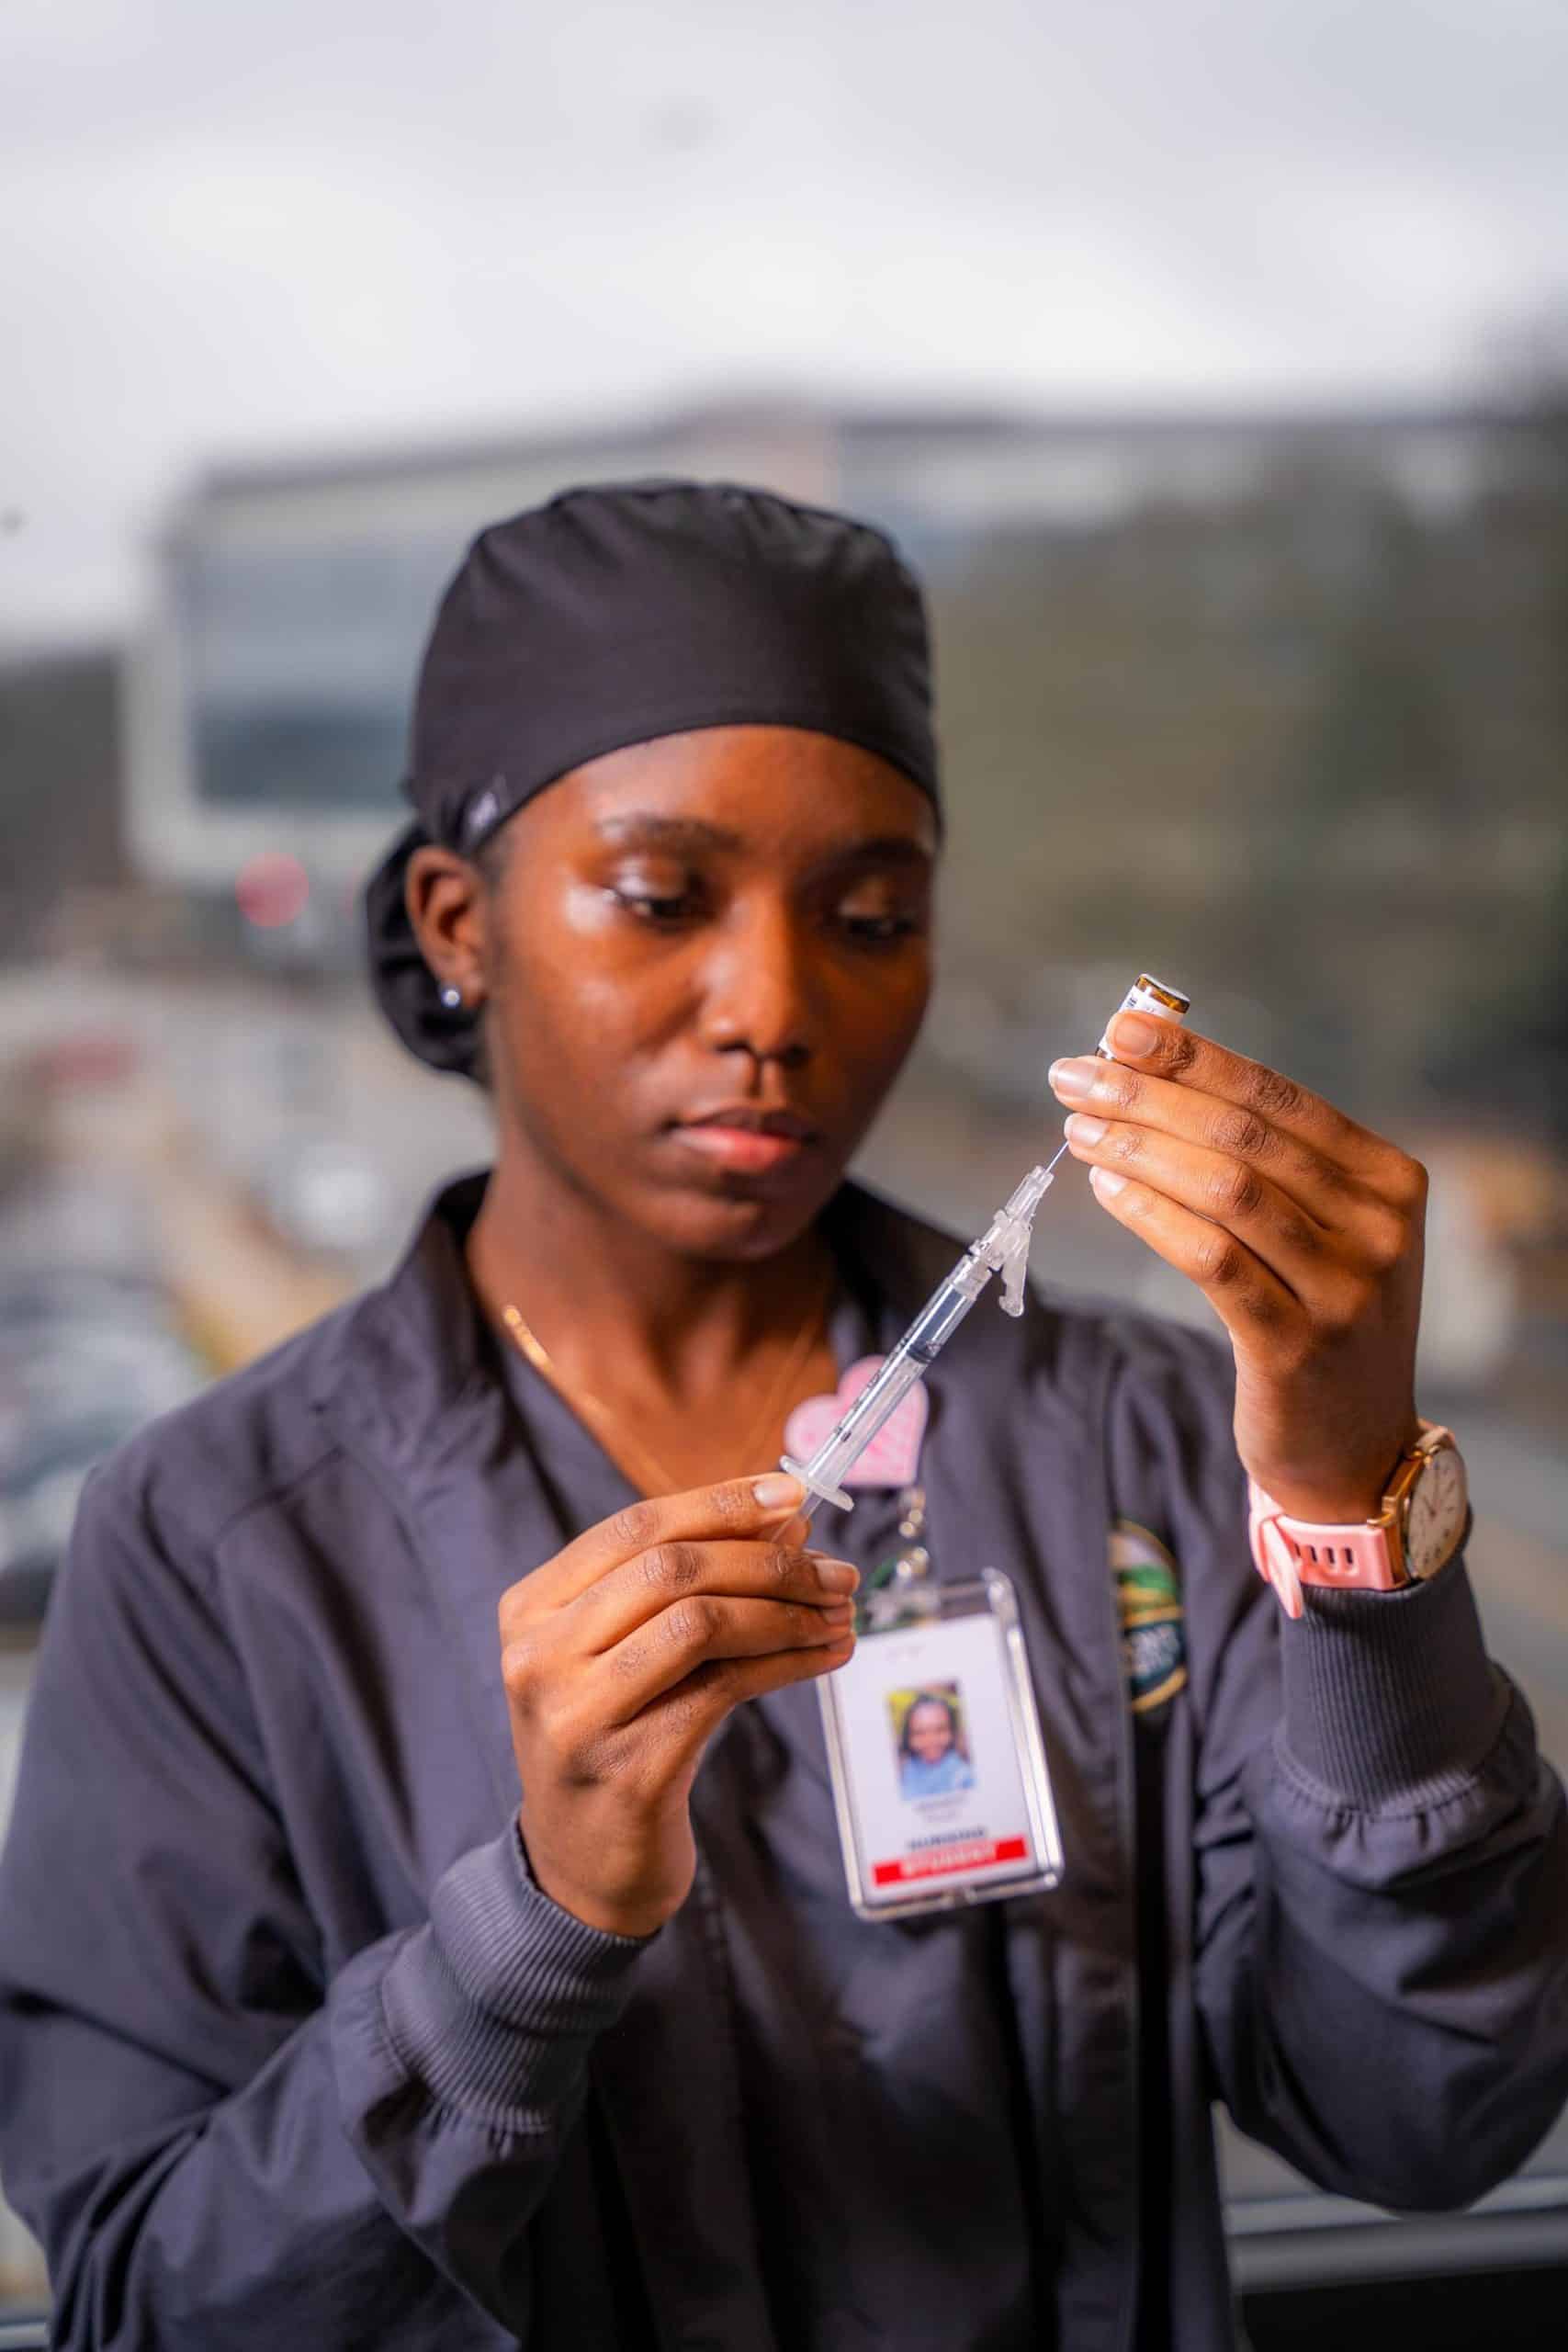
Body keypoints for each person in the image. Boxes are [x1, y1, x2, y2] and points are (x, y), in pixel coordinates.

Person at [0, 481, 1564, 2352]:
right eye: (660, 898)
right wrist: (531, 1928)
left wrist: (1349, 1519)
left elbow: (1423, 2114)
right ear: (455, 922)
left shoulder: (1143, 1440)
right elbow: (149, 2305)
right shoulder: (219, 1541)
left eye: (871, 912)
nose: (776, 1003)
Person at [897, 1691, 975, 1800]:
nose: (930, 1740)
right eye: (919, 1732)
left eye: (940, 1729)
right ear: (908, 1737)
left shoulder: (964, 1777)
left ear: (952, 1732)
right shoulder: (907, 1770)